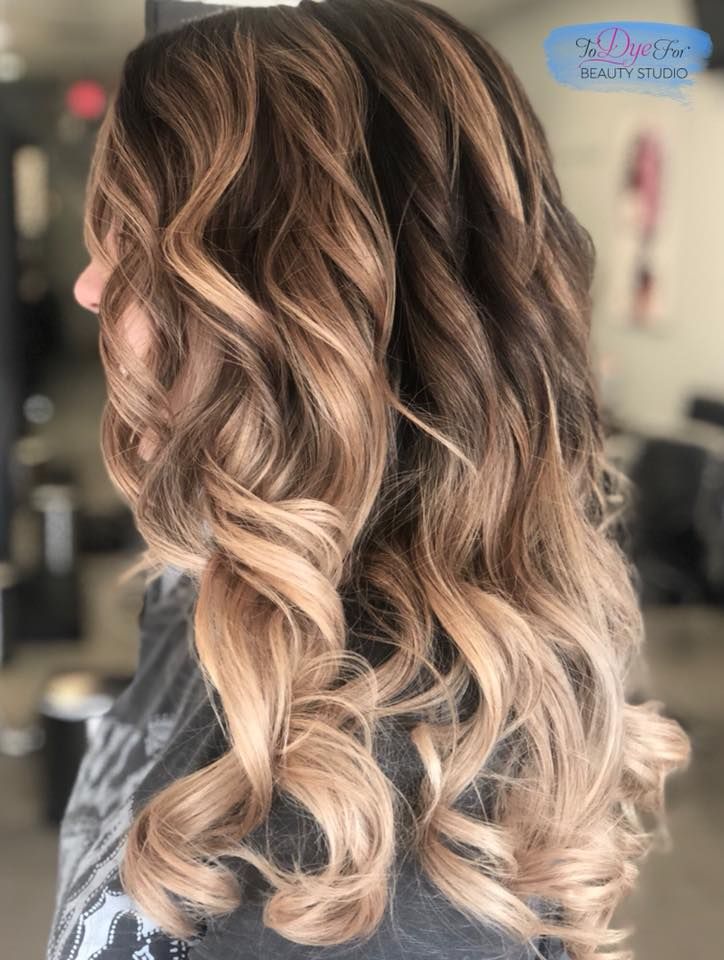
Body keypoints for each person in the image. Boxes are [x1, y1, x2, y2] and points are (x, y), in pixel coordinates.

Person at [50, 1, 691, 958]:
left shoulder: (365, 883)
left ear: (284, 311)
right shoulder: (217, 583)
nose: (89, 287)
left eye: (134, 244)